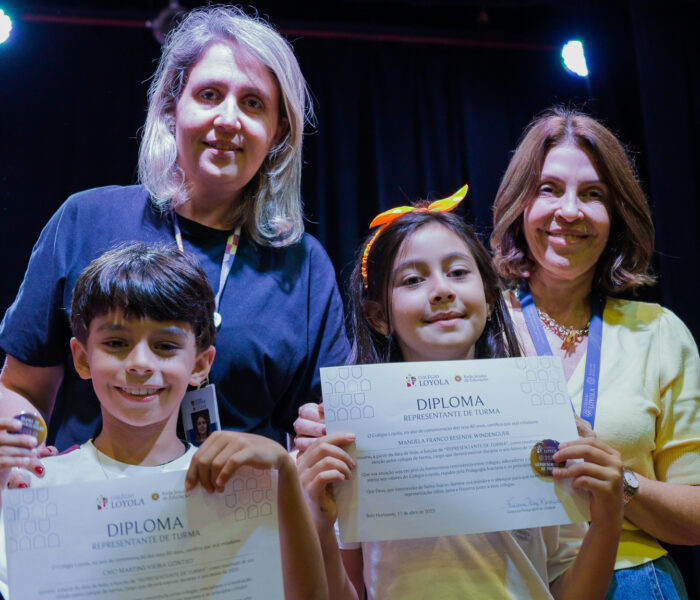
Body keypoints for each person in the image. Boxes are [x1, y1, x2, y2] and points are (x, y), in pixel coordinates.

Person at [0, 5, 348, 454]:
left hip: (243, 500)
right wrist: (20, 449)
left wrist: (324, 432)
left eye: (253, 103)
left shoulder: (303, 265)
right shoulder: (85, 219)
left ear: (279, 130)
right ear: (170, 107)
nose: (228, 119)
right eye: (209, 95)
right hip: (93, 496)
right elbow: (22, 388)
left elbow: (318, 427)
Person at [297, 194, 624, 599]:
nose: (441, 290)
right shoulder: (352, 438)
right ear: (378, 316)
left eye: (457, 272)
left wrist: (607, 518)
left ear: (489, 297)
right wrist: (318, 524)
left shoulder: (538, 420)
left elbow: (570, 592)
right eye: (412, 280)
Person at [0, 243, 327, 600]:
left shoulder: (243, 485)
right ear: (82, 358)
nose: (140, 363)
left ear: (200, 365)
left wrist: (284, 470)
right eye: (116, 343)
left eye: (165, 346)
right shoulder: (40, 487)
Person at [489, 107, 700, 598]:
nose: (570, 211)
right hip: (503, 580)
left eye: (593, 194)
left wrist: (622, 483)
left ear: (616, 214)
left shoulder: (659, 332)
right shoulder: (475, 324)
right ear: (519, 203)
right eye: (548, 189)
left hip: (632, 580)